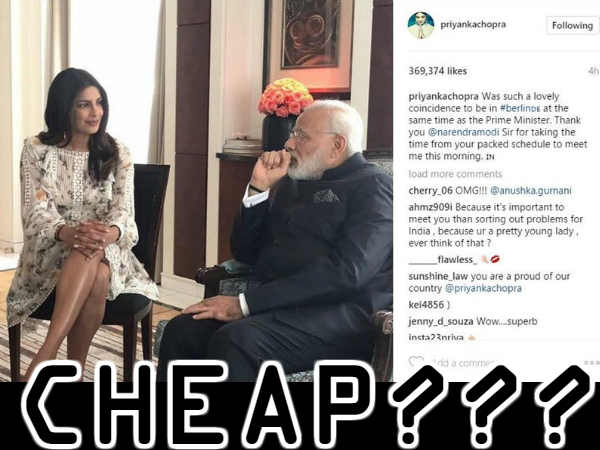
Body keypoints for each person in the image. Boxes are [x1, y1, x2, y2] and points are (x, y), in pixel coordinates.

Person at [157, 100, 392, 381]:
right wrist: (258, 189)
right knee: (183, 329)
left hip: (341, 317)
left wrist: (244, 304)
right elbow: (246, 252)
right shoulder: (294, 180)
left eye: (301, 135)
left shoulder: (374, 187)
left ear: (337, 144)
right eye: (293, 134)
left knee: (238, 341)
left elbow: (348, 272)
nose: (289, 143)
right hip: (280, 308)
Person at [6, 68, 159, 381]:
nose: (96, 112)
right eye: (84, 104)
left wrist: (107, 234)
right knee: (96, 272)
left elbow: (124, 213)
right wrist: (68, 232)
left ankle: (45, 358)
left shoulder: (117, 152)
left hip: (108, 249)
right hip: (51, 250)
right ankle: (71, 371)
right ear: (64, 107)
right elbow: (35, 211)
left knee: (94, 257)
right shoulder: (37, 150)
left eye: (99, 102)